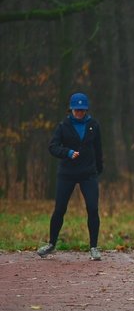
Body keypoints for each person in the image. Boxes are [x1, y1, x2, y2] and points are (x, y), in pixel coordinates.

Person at [38, 92, 104, 261]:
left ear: (86, 110)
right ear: (71, 110)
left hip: (88, 174)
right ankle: (51, 244)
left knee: (92, 208)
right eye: (76, 110)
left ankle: (94, 247)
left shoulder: (93, 125)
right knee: (60, 209)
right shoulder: (63, 126)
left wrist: (99, 169)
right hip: (66, 174)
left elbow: (98, 149)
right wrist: (67, 152)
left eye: (82, 110)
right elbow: (52, 147)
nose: (79, 113)